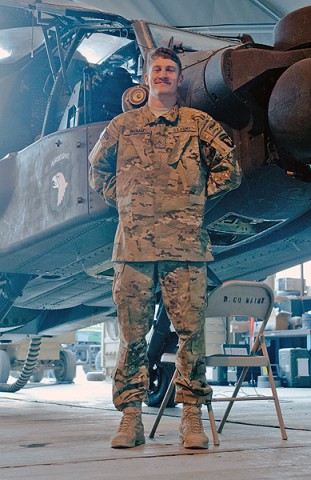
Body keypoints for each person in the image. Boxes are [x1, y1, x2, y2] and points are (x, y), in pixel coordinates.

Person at [88, 47, 242, 450]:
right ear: (146, 77)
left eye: (170, 70)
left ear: (178, 78)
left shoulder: (198, 124)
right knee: (131, 334)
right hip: (133, 245)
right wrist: (125, 200)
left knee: (190, 334)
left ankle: (191, 419)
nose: (163, 75)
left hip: (186, 244)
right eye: (156, 69)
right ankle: (131, 419)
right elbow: (96, 173)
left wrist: (192, 201)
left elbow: (231, 171)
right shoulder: (122, 127)